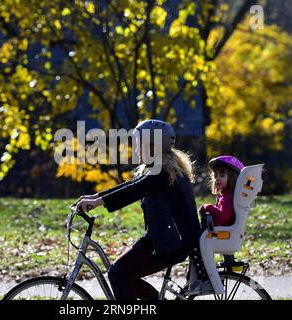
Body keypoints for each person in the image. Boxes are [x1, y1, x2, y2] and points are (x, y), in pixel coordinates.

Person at [75, 119, 207, 300]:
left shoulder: (163, 171)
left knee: (118, 274)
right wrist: (95, 198)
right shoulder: (160, 167)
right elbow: (132, 185)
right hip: (161, 237)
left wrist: (98, 202)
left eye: (139, 144)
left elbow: (134, 191)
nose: (136, 149)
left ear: (153, 146)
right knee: (123, 275)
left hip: (171, 242)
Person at [187, 155, 245, 294]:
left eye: (222, 175)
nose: (217, 178)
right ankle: (196, 279)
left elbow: (224, 216)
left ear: (232, 178)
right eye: (216, 175)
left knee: (194, 246)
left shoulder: (228, 197)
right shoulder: (226, 196)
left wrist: (208, 207)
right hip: (220, 233)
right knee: (195, 243)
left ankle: (202, 279)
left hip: (220, 234)